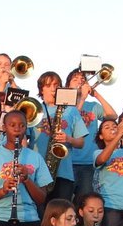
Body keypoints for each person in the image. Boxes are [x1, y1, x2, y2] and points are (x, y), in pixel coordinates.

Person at [33, 71, 88, 202]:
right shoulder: (34, 109)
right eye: (48, 85)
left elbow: (81, 142)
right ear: (41, 89)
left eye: (56, 84)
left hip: (63, 172)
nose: (53, 88)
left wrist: (68, 139)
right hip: (37, 171)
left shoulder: (71, 110)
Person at [68, 68, 120, 199]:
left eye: (82, 80)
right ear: (68, 85)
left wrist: (96, 94)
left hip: (88, 163)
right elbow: (70, 122)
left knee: (84, 202)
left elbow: (113, 116)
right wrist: (82, 98)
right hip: (67, 161)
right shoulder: (64, 105)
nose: (80, 82)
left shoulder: (93, 106)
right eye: (75, 80)